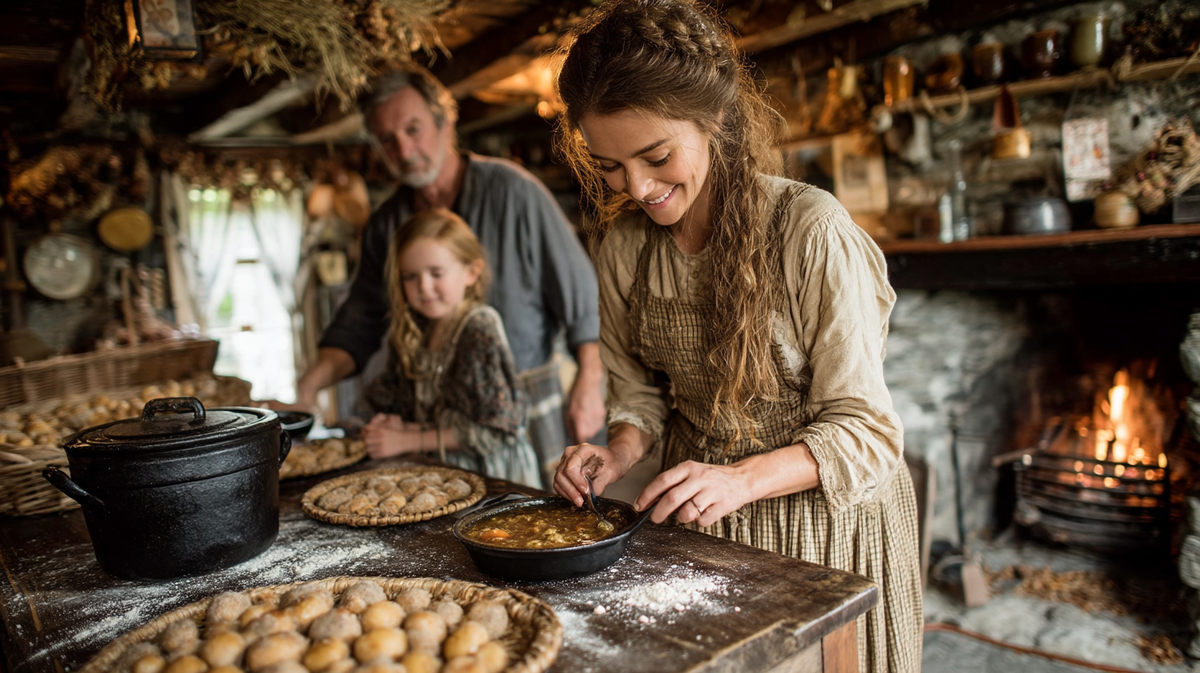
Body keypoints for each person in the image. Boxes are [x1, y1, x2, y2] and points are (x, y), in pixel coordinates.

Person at [549, 1, 922, 671]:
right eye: (609, 165)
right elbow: (640, 395)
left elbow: (867, 431)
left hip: (824, 528)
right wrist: (618, 450)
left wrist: (742, 479)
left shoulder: (809, 232)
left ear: (716, 119)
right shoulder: (626, 247)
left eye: (656, 156)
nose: (637, 188)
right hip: (705, 524)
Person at [285, 64, 605, 485]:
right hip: (439, 426)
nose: (403, 150)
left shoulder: (513, 192)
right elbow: (358, 323)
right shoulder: (386, 224)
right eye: (387, 139)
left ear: (445, 121)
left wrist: (589, 383)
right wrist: (306, 389)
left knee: (544, 514)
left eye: (413, 129)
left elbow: (583, 299)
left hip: (526, 408)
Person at [358, 208, 540, 488]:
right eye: (410, 276)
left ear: (471, 272)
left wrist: (407, 440)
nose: (424, 286)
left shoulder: (477, 330)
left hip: (492, 478)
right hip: (447, 472)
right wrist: (397, 425)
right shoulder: (416, 329)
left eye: (436, 273)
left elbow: (495, 432)